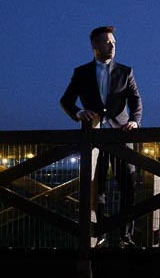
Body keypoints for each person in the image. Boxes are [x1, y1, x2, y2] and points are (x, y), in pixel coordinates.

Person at [60, 25, 143, 243]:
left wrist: (134, 121)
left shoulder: (126, 71)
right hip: (94, 140)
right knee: (97, 190)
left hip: (121, 137)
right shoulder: (81, 72)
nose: (112, 45)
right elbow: (66, 101)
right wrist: (79, 112)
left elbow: (136, 100)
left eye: (114, 42)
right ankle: (99, 235)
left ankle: (126, 236)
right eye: (107, 42)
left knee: (128, 187)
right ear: (95, 46)